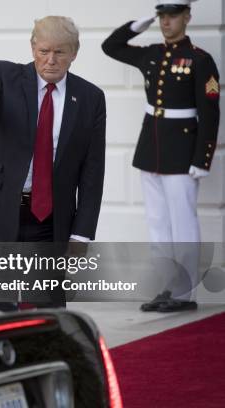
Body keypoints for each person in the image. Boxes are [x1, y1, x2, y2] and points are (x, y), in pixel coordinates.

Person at [0, 16, 106, 308]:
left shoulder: (91, 98)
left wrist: (81, 233)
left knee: (49, 312)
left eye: (60, 52)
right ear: (33, 47)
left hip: (49, 220)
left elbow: (92, 171)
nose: (51, 60)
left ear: (74, 52)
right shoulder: (3, 75)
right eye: (44, 51)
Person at [102, 0, 219, 312]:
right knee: (157, 222)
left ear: (187, 17)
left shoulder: (199, 60)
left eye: (173, 16)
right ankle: (166, 286)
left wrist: (201, 158)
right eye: (162, 16)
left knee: (183, 223)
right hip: (150, 149)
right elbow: (110, 46)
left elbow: (209, 113)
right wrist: (141, 22)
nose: (167, 22)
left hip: (182, 152)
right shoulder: (151, 54)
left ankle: (184, 293)